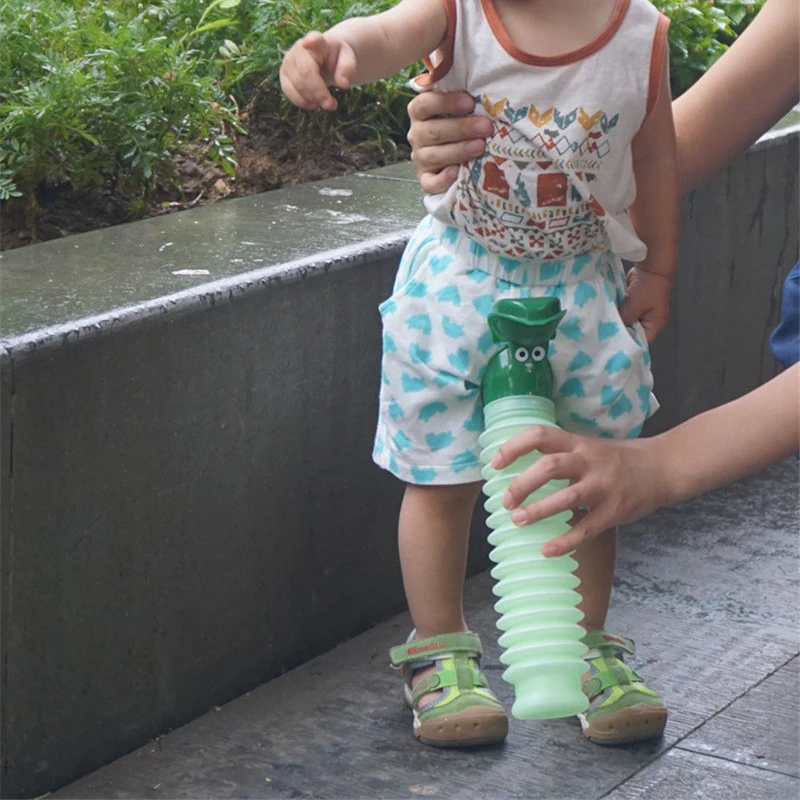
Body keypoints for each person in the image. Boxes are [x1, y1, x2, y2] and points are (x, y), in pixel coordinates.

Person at [281, 0, 679, 748]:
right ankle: (438, 648)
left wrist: (656, 267)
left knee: (588, 478)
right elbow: (387, 33)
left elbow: (657, 154)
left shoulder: (638, 34)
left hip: (581, 288)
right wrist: (336, 50)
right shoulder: (459, 10)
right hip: (463, 279)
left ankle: (586, 645)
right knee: (442, 477)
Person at [404, 0, 799, 556]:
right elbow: (649, 149)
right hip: (482, 271)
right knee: (451, 484)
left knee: (584, 498)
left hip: (588, 300)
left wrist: (660, 467)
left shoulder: (639, 28)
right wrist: (491, 142)